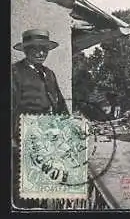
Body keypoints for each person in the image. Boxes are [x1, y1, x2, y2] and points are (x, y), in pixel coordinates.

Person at [11, 29, 69, 209]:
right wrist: (11, 138)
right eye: (35, 49)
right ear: (26, 51)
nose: (40, 53)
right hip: (23, 134)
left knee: (44, 178)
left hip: (47, 134)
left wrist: (68, 125)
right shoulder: (14, 72)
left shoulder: (49, 73)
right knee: (23, 181)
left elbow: (59, 103)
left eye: (44, 49)